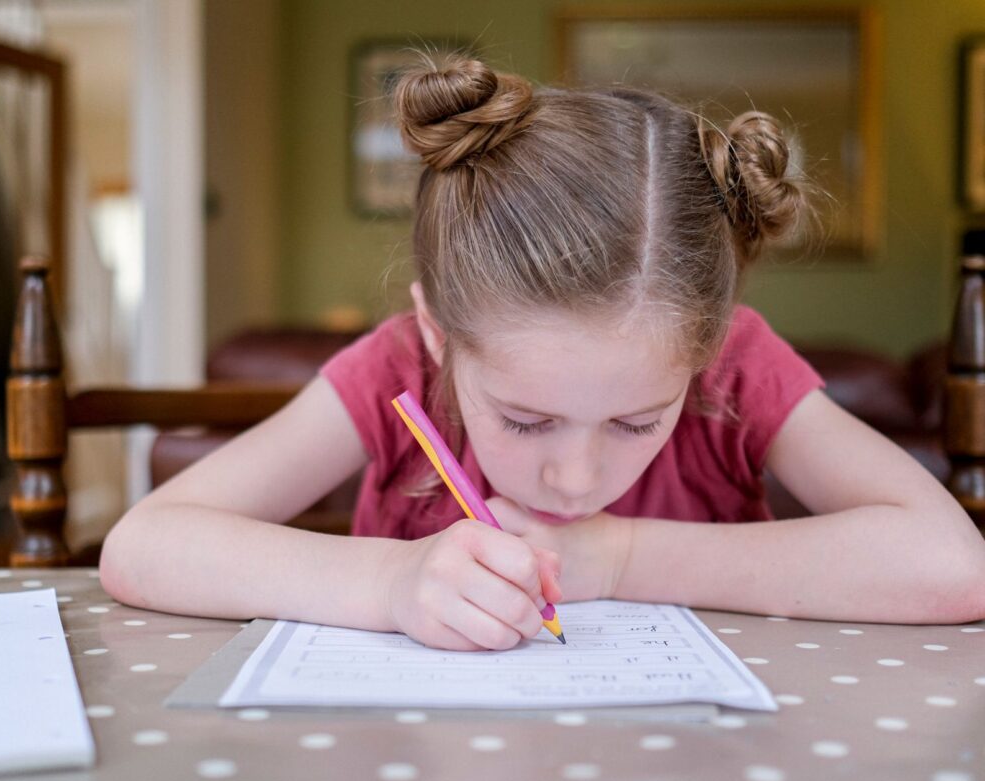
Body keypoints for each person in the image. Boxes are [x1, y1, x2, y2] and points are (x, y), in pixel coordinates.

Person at [100, 54, 985, 650]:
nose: (573, 476)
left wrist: (624, 558)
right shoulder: (399, 366)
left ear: (705, 353)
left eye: (639, 420)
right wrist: (391, 582)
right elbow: (146, 544)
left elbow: (952, 565)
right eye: (525, 419)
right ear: (439, 335)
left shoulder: (735, 367)